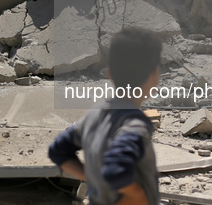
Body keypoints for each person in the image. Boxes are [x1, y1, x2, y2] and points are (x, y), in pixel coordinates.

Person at [48, 27, 161, 205]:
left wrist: (94, 179)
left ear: (109, 73)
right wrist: (136, 196)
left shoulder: (94, 115)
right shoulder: (135, 124)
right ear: (155, 75)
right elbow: (115, 170)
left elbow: (58, 151)